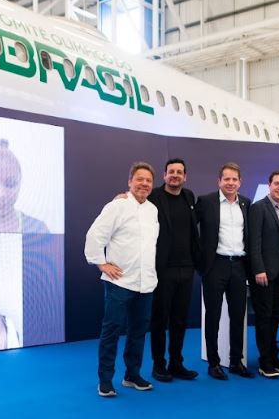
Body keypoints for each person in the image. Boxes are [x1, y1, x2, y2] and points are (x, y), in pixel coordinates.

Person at [85, 162, 160, 397]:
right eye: (139, 179)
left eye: (148, 180)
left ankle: (132, 375)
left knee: (138, 331)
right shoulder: (117, 206)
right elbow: (95, 235)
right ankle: (105, 380)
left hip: (146, 283)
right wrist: (101, 263)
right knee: (111, 331)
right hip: (119, 282)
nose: (144, 184)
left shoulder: (153, 210)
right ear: (130, 181)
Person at [195, 162, 255, 381]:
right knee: (213, 316)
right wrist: (200, 261)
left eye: (234, 179)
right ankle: (214, 363)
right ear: (219, 181)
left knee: (238, 316)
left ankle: (236, 361)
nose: (230, 183)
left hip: (239, 266)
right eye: (226, 179)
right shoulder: (206, 201)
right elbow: (189, 228)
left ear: (240, 182)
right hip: (215, 266)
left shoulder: (246, 203)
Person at [147, 158, 200, 382]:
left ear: (185, 176)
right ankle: (159, 365)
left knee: (179, 319)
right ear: (164, 175)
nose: (175, 175)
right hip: (163, 269)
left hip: (186, 269)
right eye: (171, 172)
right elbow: (133, 201)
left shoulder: (189, 196)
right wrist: (122, 197)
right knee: (160, 319)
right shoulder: (153, 197)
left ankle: (176, 363)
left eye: (179, 172)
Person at [249, 170, 279, 378]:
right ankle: (265, 361)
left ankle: (274, 357)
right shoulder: (259, 208)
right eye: (276, 183)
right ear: (269, 185)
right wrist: (258, 269)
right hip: (264, 274)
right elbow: (254, 241)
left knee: (275, 316)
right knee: (264, 317)